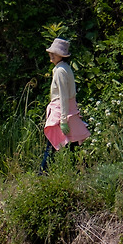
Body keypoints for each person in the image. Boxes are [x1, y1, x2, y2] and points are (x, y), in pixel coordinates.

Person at [41, 37, 89, 172]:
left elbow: (64, 96)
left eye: (55, 54)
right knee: (72, 145)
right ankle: (79, 171)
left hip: (61, 111)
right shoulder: (64, 68)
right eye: (51, 53)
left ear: (61, 55)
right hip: (68, 110)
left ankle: (42, 174)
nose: (51, 56)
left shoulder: (60, 71)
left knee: (52, 145)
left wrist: (63, 120)